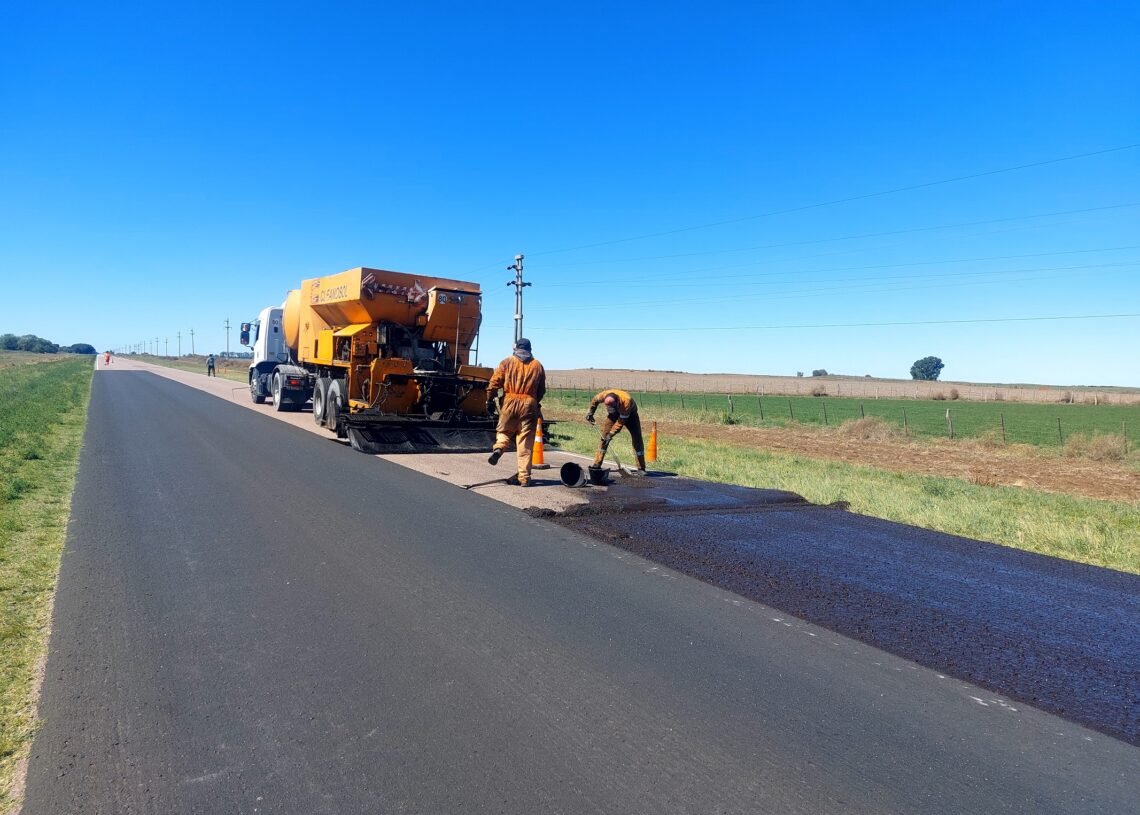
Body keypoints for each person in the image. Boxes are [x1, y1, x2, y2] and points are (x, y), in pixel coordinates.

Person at [486, 338, 546, 486]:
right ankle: (524, 478)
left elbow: (494, 383)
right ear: (530, 349)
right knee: (525, 442)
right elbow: (542, 390)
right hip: (529, 405)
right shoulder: (537, 365)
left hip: (509, 403)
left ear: (516, 348)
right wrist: (533, 400)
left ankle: (499, 448)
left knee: (504, 432)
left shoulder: (507, 362)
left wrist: (489, 399)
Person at [586, 388, 647, 472]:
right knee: (604, 438)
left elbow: (620, 423)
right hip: (613, 415)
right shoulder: (603, 395)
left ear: (617, 402)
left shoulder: (626, 401)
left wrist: (610, 435)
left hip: (630, 416)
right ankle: (597, 463)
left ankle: (641, 468)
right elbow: (594, 400)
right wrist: (590, 413)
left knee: (637, 439)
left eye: (612, 408)